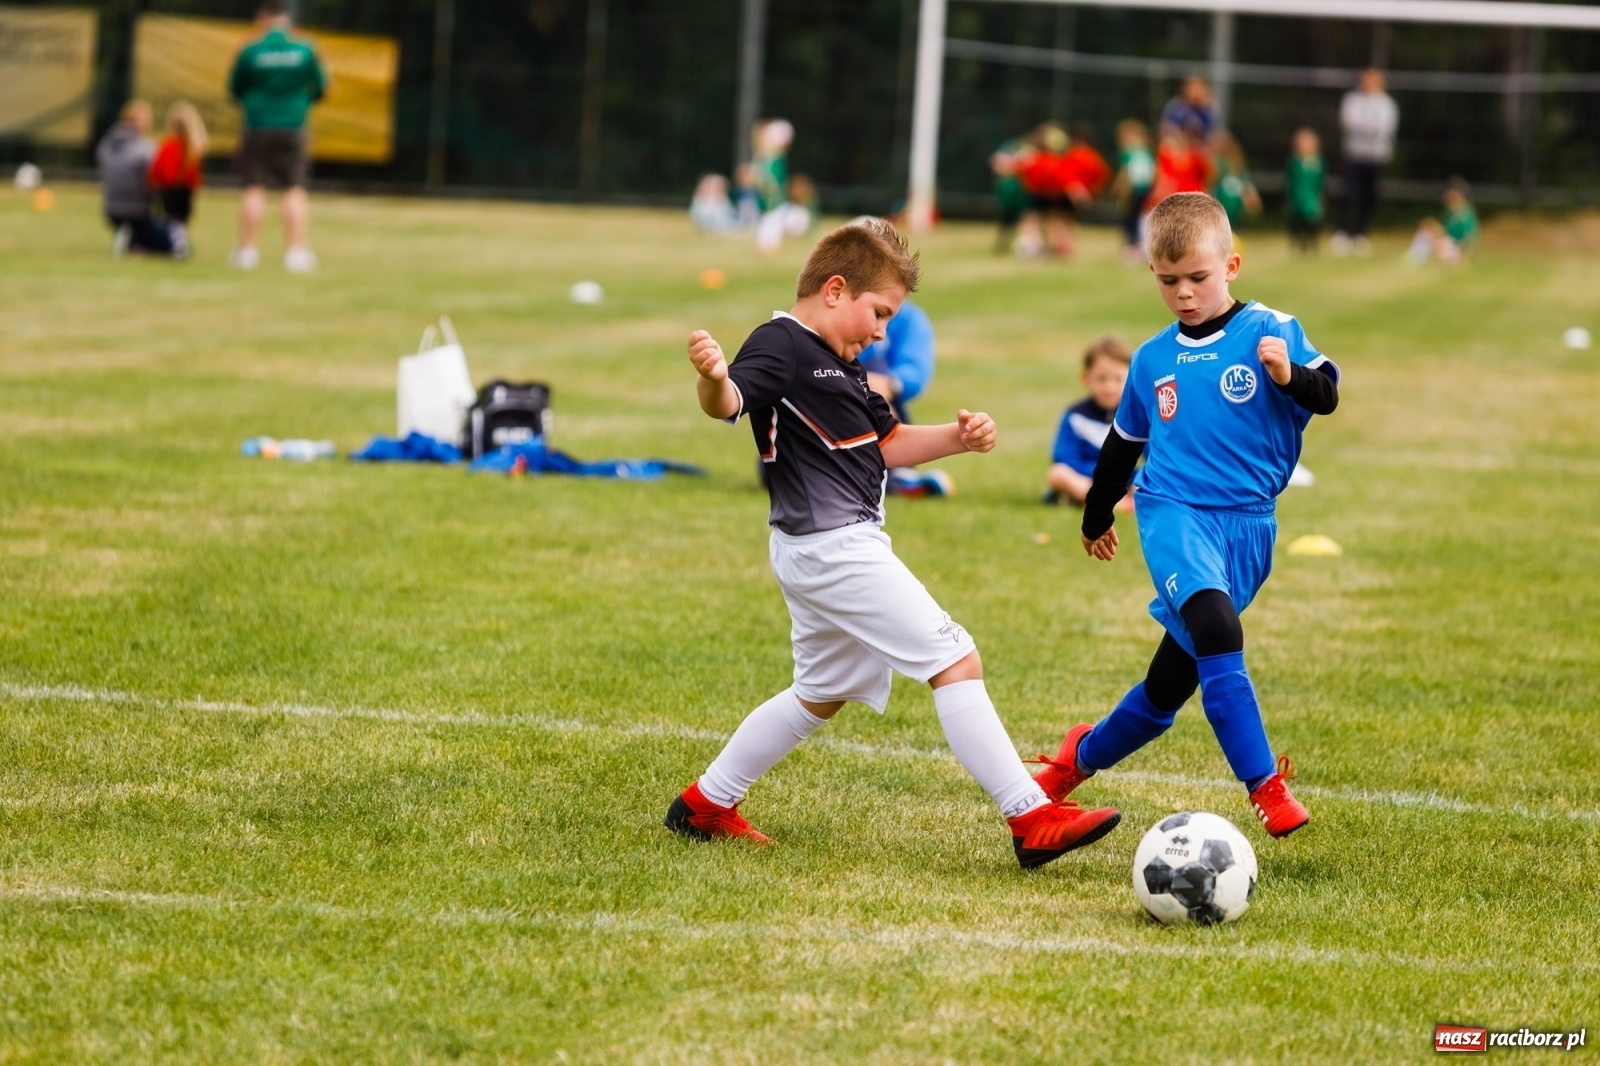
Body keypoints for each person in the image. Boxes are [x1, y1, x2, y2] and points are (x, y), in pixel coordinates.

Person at [666, 219, 1121, 867]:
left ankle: (707, 802)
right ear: (833, 290)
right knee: (956, 659)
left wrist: (958, 438)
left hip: (823, 546)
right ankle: (1030, 816)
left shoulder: (847, 367)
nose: (882, 331)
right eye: (878, 313)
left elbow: (888, 445)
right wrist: (712, 377)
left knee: (824, 689)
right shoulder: (782, 344)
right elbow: (729, 401)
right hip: (834, 548)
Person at [1032, 192, 1340, 841]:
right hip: (1173, 511)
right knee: (1216, 625)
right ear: (1154, 274)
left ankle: (1071, 763)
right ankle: (1266, 787)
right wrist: (1095, 517)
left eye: (1197, 278)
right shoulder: (1150, 359)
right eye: (1169, 281)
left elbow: (1328, 394)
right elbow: (1123, 446)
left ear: (1232, 265)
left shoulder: (1271, 330)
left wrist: (1288, 379)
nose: (1184, 294)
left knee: (1166, 689)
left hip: (1250, 524)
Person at [228, 0, 328, 272]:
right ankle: (295, 253)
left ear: (263, 16)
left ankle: (247, 251)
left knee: (254, 187)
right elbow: (320, 87)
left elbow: (235, 89)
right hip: (293, 125)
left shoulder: (250, 50)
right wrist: (299, 104)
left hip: (257, 125)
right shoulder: (306, 48)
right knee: (294, 189)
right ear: (288, 18)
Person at [1045, 335, 1135, 510]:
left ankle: (1094, 502)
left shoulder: (1133, 416)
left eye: (1117, 379)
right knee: (1057, 474)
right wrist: (1100, 475)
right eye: (1101, 379)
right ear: (1086, 379)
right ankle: (1111, 503)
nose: (1109, 387)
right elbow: (1063, 457)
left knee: (1152, 478)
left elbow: (1153, 455)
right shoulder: (1075, 416)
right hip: (1085, 480)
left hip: (1122, 481)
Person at [1333, 68, 1398, 257]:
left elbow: (1385, 128)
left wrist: (1364, 126)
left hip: (1376, 156)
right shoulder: (1352, 99)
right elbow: (1349, 122)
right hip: (1354, 154)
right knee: (1347, 193)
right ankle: (1343, 232)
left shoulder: (1387, 104)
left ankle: (1361, 233)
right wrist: (1368, 127)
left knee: (1369, 196)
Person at [96, 100, 173, 258]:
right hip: (137, 212)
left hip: (111, 210)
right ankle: (133, 239)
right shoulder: (145, 149)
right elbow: (155, 181)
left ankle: (132, 240)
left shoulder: (106, 144)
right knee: (168, 245)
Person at [148, 101, 207, 258]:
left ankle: (177, 245)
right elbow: (195, 175)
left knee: (172, 220)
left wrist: (154, 183)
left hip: (168, 189)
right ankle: (179, 243)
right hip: (184, 190)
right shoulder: (193, 148)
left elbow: (157, 169)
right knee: (179, 221)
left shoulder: (168, 145)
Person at [1406, 178, 1479, 266]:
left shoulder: (1465, 213)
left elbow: (1468, 236)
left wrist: (1464, 251)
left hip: (1456, 245)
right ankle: (1415, 257)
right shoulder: (1449, 212)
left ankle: (1454, 259)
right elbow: (1446, 230)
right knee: (1426, 231)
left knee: (1441, 246)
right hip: (1449, 241)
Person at [1112, 120, 1156, 263]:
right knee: (1139, 218)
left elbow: (1126, 172)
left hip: (1134, 190)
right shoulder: (1147, 152)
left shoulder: (1129, 153)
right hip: (1145, 190)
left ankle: (1133, 246)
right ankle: (1139, 247)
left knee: (1131, 218)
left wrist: (1119, 188)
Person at [1211, 131, 1262, 236]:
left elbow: (1247, 187)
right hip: (1221, 208)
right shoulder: (1217, 165)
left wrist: (1252, 198)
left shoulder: (1239, 169)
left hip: (1234, 211)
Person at [1285, 127, 1325, 255]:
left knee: (1313, 221)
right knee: (1297, 221)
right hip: (1298, 197)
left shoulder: (1318, 163)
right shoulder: (1294, 163)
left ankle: (1312, 244)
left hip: (1312, 198)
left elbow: (1321, 182)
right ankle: (1298, 243)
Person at [989, 133, 1031, 255]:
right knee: (1007, 220)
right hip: (1010, 190)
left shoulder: (1025, 152)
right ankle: (1003, 245)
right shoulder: (1007, 150)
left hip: (1019, 191)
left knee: (1026, 218)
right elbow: (998, 167)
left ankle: (1029, 244)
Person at [1159, 75, 1219, 147]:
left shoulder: (1210, 110)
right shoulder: (1176, 107)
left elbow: (1214, 135)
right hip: (1179, 147)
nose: (1195, 91)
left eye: (1198, 87)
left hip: (1202, 149)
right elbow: (1165, 129)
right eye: (1192, 87)